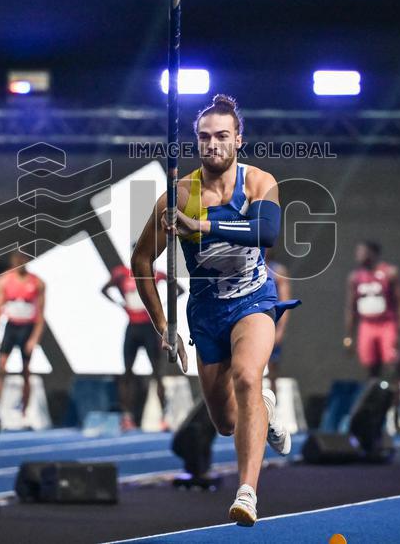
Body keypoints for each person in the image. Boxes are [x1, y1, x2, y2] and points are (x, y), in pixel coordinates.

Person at [132, 94, 300, 527]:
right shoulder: (179, 196)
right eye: (205, 137)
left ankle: (247, 492)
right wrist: (164, 324)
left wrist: (202, 225)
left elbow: (266, 232)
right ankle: (264, 406)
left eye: (222, 136)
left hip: (253, 300)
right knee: (226, 422)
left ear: (238, 139)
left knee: (247, 375)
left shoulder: (259, 182)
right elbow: (141, 262)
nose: (213, 144)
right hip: (206, 311)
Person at [102, 253, 178, 432]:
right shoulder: (122, 274)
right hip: (133, 328)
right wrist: (121, 304)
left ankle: (164, 417)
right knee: (127, 372)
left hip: (150, 329)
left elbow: (177, 288)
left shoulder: (156, 274)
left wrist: (159, 305)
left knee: (157, 373)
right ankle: (127, 417)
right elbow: (104, 289)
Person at [0, 250, 45, 416]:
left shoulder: (37, 282)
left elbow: (41, 315)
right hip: (10, 326)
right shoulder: (4, 281)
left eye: (23, 260)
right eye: (17, 261)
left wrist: (34, 338)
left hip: (27, 328)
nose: (19, 264)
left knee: (26, 370)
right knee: (1, 367)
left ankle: (25, 411)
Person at [343, 240, 400, 379]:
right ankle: (373, 388)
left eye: (361, 251)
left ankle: (393, 390)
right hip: (367, 324)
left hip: (387, 323)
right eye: (357, 252)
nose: (358, 255)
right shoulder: (355, 277)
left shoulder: (389, 273)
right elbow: (351, 307)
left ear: (372, 253)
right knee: (368, 362)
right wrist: (349, 336)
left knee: (392, 362)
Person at [264, 250, 293, 385]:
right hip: (252, 319)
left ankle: (272, 390)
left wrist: (280, 329)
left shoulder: (278, 271)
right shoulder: (246, 268)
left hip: (271, 322)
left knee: (272, 364)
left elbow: (285, 301)